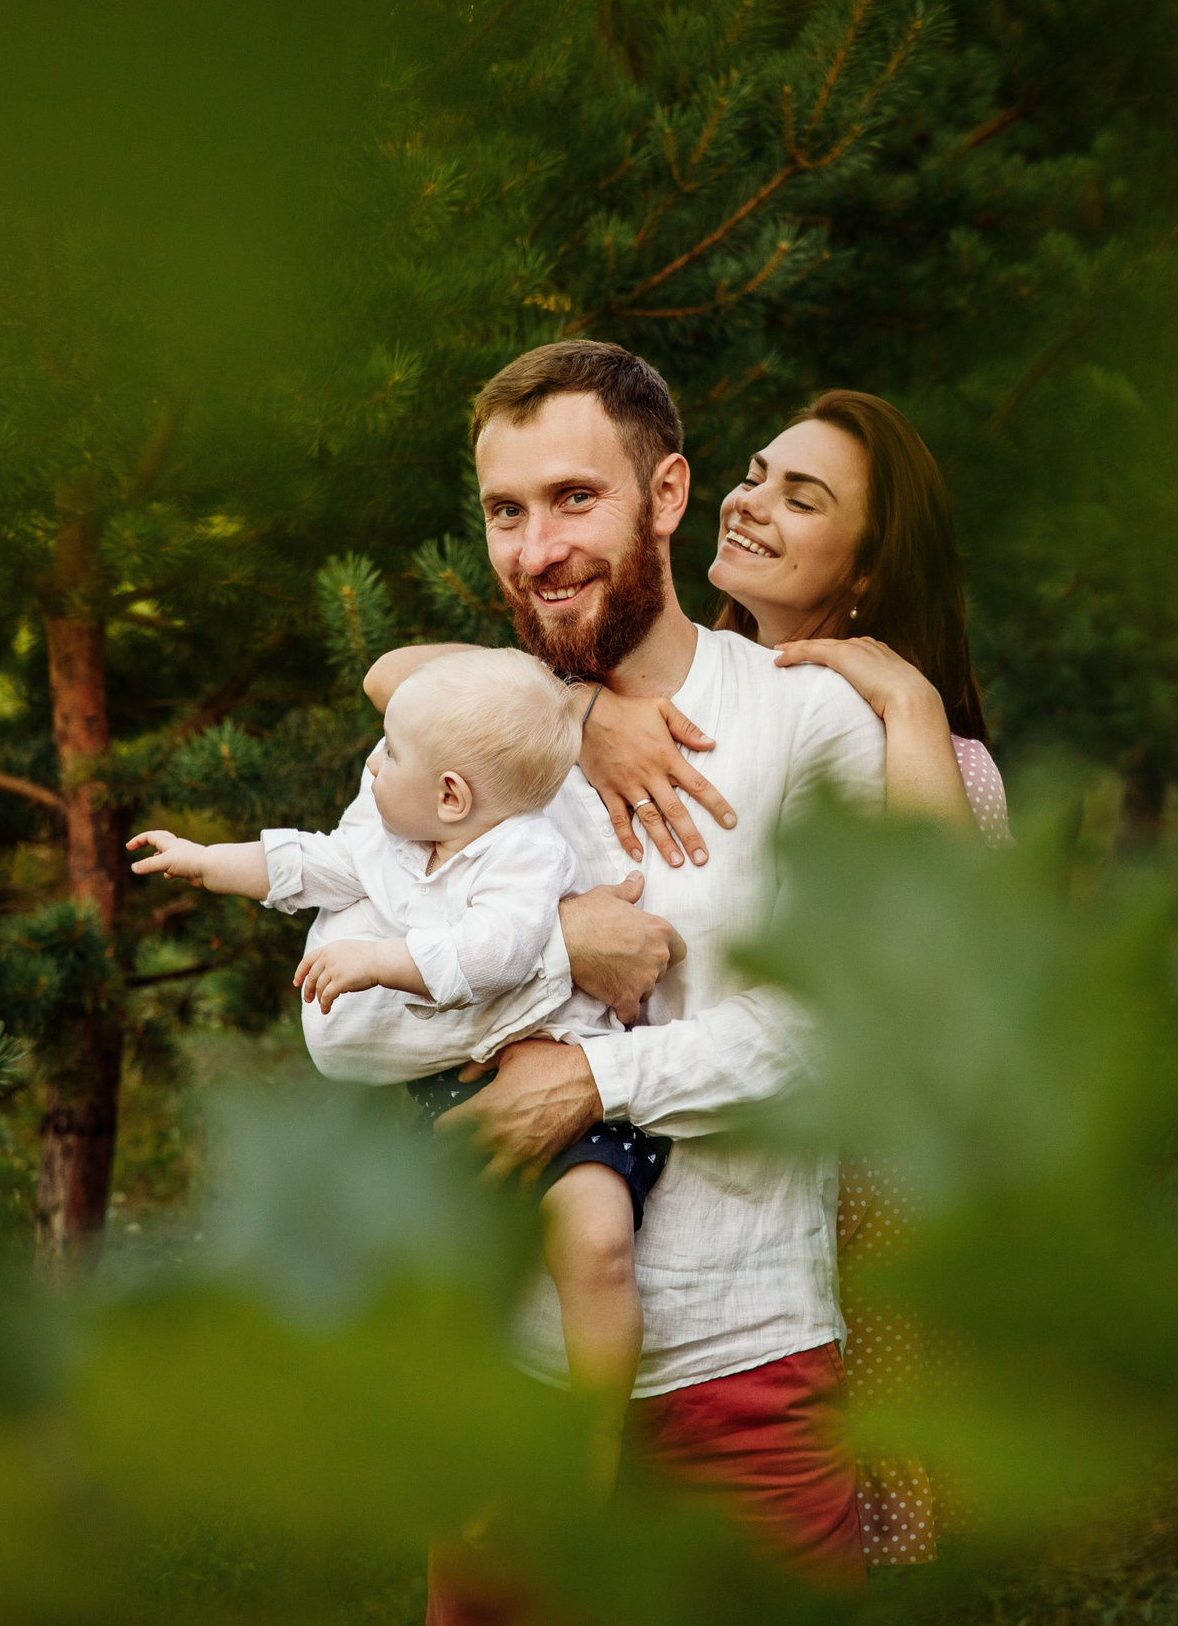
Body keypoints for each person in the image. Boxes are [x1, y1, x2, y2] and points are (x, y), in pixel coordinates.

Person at [371, 388, 1008, 1571]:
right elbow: (394, 673)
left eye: (801, 498)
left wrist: (909, 701)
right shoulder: (606, 701)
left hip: (837, 1220)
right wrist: (581, 711)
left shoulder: (897, 739)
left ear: (868, 569)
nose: (751, 503)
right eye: (755, 474)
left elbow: (925, 968)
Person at [302, 339, 888, 1616]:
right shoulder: (457, 731)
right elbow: (338, 1028)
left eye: (575, 498)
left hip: (746, 1378)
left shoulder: (805, 722)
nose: (538, 549)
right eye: (506, 512)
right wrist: (560, 948)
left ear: (666, 495)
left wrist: (587, 1080)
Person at [121, 646, 664, 1490]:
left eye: (390, 752)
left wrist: (378, 959)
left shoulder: (524, 852)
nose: (371, 764)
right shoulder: (395, 840)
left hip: (566, 1075)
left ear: (451, 795)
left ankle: (597, 1438)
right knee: (445, 1272)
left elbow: (496, 951)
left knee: (595, 1242)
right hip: (460, 1082)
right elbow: (305, 862)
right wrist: (205, 859)